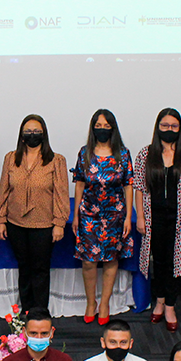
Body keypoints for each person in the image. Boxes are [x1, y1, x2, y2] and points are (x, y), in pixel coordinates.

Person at [133, 108, 181, 332]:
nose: (169, 130)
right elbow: (139, 188)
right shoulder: (145, 154)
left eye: (174, 126)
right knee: (160, 261)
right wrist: (141, 217)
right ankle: (160, 302)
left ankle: (171, 306)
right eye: (165, 126)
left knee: (176, 264)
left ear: (179, 128)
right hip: (154, 219)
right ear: (158, 127)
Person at [0, 114, 68, 312]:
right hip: (16, 223)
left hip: (44, 226)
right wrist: (0, 219)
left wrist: (59, 223)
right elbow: (3, 189)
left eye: (37, 131)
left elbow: (61, 194)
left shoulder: (56, 160)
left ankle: (40, 313)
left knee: (40, 270)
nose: (32, 134)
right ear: (21, 135)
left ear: (44, 134)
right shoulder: (11, 158)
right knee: (24, 268)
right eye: (28, 131)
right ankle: (27, 312)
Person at [72, 109, 134, 325]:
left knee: (110, 260)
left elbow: (128, 185)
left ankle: (105, 303)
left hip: (115, 215)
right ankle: (91, 302)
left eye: (106, 126)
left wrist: (128, 216)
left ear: (113, 128)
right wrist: (76, 215)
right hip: (88, 214)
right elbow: (80, 182)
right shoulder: (84, 153)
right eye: (98, 125)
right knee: (89, 261)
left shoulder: (123, 154)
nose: (102, 129)